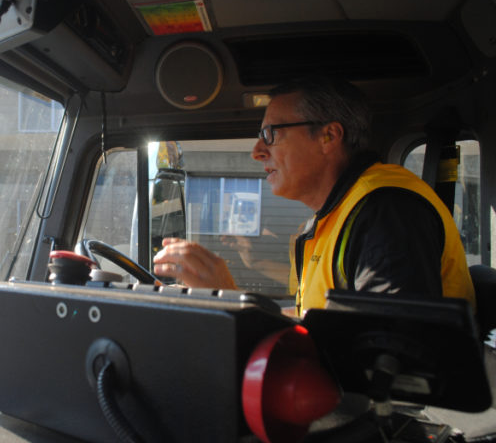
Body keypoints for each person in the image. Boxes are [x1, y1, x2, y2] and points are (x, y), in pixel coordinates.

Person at [153, 75, 475, 317]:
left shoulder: (387, 211)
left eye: (270, 134)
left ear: (328, 136)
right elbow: (317, 323)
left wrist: (233, 303)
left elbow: (386, 358)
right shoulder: (334, 218)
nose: (257, 151)